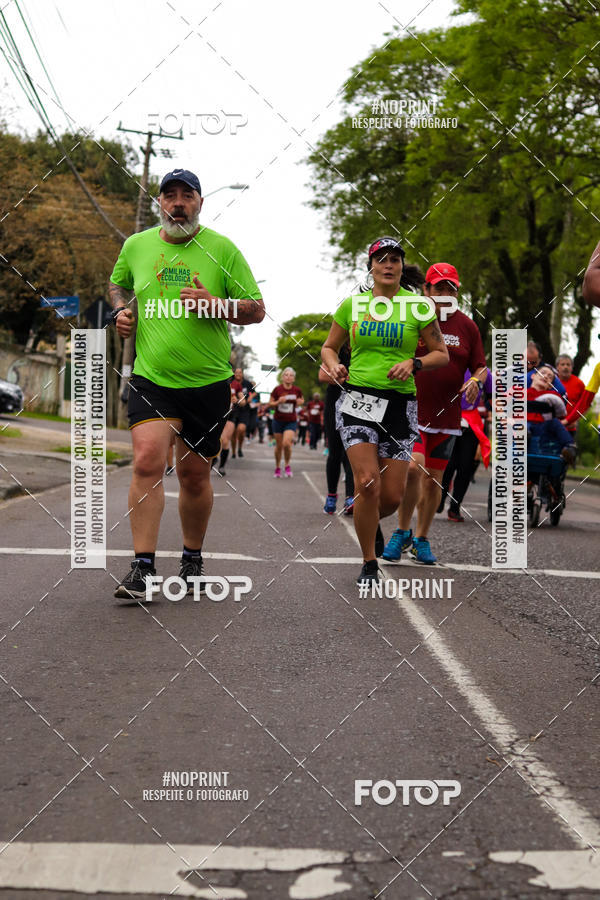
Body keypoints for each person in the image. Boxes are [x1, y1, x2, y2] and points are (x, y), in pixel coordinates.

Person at [110, 168, 264, 600]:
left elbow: (256, 310)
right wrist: (121, 312)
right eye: (169, 195)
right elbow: (117, 284)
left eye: (187, 195)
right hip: (151, 378)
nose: (178, 203)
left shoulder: (222, 250)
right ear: (159, 202)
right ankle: (142, 568)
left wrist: (218, 304)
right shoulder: (136, 246)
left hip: (208, 382)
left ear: (200, 202)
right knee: (146, 463)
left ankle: (192, 557)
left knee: (195, 476)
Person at [321, 237, 449, 585]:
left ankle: (371, 520)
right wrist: (335, 366)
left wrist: (415, 363)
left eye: (395, 259)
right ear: (371, 267)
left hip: (399, 404)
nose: (389, 265)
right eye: (382, 260)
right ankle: (368, 562)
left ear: (400, 266)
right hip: (358, 401)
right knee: (366, 482)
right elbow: (329, 348)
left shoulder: (419, 306)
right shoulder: (352, 306)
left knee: (390, 497)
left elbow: (442, 353)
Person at [383, 262, 487, 565]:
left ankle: (422, 539)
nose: (444, 293)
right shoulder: (412, 318)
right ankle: (401, 532)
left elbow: (480, 365)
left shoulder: (467, 326)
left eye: (450, 288)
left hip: (447, 416)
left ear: (457, 292)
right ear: (426, 289)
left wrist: (474, 381)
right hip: (410, 410)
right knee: (414, 470)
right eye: (438, 287)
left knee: (434, 481)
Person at [438, 369, 493, 522]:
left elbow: (493, 397)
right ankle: (439, 499)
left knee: (465, 467)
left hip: (471, 423)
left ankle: (455, 508)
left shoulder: (484, 372)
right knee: (448, 464)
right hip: (449, 417)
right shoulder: (451, 364)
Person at [319, 341, 355, 515]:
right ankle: (331, 495)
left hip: (357, 404)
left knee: (353, 451)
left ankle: (351, 497)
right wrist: (343, 379)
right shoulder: (337, 348)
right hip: (335, 403)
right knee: (335, 452)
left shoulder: (367, 347)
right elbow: (323, 375)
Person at [528, 365, 576, 463]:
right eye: (543, 373)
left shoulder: (554, 396)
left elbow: (562, 414)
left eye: (550, 377)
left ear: (550, 385)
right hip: (522, 426)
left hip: (544, 430)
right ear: (533, 376)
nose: (546, 376)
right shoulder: (519, 392)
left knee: (554, 422)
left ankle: (570, 448)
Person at [270, 368, 304, 477]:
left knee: (286, 443)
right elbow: (270, 403)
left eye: (291, 375)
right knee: (279, 446)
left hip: (291, 421)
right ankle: (277, 467)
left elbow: (301, 400)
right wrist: (278, 402)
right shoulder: (277, 390)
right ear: (282, 377)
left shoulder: (297, 390)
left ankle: (287, 465)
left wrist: (300, 402)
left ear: (293, 378)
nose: (288, 377)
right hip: (278, 421)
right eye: (286, 375)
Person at [555, 354, 585, 440]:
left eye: (568, 365)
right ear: (557, 367)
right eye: (562, 364)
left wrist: (576, 420)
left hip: (571, 427)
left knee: (568, 452)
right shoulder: (551, 382)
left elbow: (585, 404)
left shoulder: (579, 383)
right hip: (552, 425)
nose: (565, 367)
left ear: (572, 367)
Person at [230, 366, 255, 458]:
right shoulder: (231, 382)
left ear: (242, 374)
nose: (238, 374)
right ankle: (233, 452)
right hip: (233, 410)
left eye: (240, 372)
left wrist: (250, 397)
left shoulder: (247, 383)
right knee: (233, 432)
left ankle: (239, 448)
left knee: (241, 429)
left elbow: (254, 392)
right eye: (236, 372)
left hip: (244, 410)